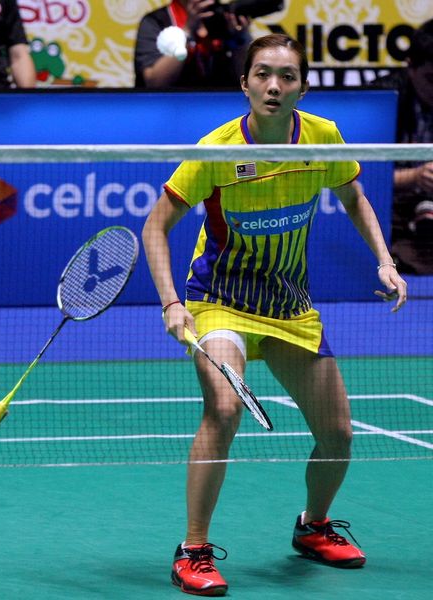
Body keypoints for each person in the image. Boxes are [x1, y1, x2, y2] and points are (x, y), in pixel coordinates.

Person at [142, 34, 407, 596]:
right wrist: (170, 302)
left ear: (302, 87)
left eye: (286, 76)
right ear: (245, 83)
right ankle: (193, 550)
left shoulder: (322, 137)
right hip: (220, 302)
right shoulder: (215, 150)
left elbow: (354, 194)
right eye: (262, 74)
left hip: (288, 307)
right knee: (223, 408)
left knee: (337, 432)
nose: (273, 85)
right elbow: (155, 226)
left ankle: (314, 526)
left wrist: (384, 259)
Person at [370, 18, 433, 274]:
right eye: (432, 78)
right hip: (394, 207)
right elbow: (362, 175)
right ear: (411, 67)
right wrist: (415, 177)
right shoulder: (378, 102)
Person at [134, 0, 251, 89]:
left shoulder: (226, 18)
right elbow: (154, 83)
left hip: (221, 108)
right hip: (171, 110)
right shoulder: (157, 21)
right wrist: (187, 32)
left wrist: (239, 39)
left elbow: (247, 83)